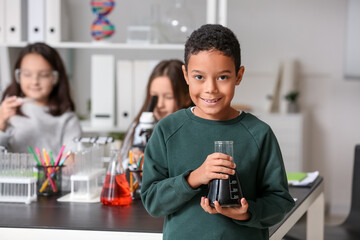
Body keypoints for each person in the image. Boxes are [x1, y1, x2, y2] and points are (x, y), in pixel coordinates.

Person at [141, 24, 295, 240]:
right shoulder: (167, 130)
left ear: (238, 76)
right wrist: (195, 177)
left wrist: (246, 212)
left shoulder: (259, 133)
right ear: (185, 75)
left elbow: (280, 202)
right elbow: (152, 202)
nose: (210, 88)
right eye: (199, 77)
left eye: (223, 77)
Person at [0, 42, 81, 153]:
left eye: (43, 75)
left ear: (55, 78)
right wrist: (1, 123)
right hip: (13, 171)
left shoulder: (67, 120)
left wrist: (72, 158)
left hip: (52, 171)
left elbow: (73, 155)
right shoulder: (7, 113)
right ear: (18, 76)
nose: (34, 82)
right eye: (27, 74)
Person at [120, 59, 193, 166]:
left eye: (168, 97)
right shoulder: (139, 127)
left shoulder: (192, 130)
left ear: (186, 98)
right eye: (154, 97)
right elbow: (120, 166)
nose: (160, 104)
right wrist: (134, 161)